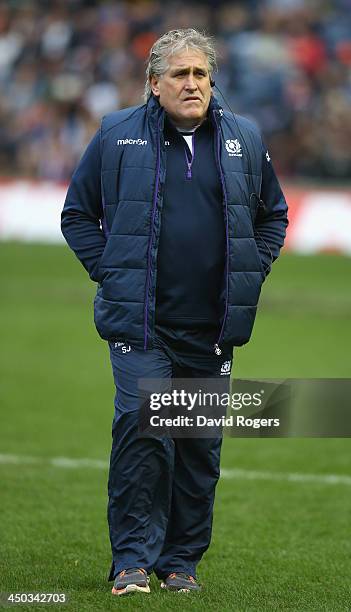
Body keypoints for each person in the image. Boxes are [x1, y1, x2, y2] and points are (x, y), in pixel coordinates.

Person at [61, 28, 288, 596]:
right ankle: (132, 561)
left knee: (197, 451)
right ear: (154, 83)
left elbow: (273, 217)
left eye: (201, 74)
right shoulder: (116, 134)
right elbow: (77, 215)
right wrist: (112, 271)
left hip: (212, 330)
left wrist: (250, 270)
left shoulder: (245, 138)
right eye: (180, 74)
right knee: (145, 436)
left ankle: (180, 563)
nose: (192, 84)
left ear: (213, 81)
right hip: (141, 327)